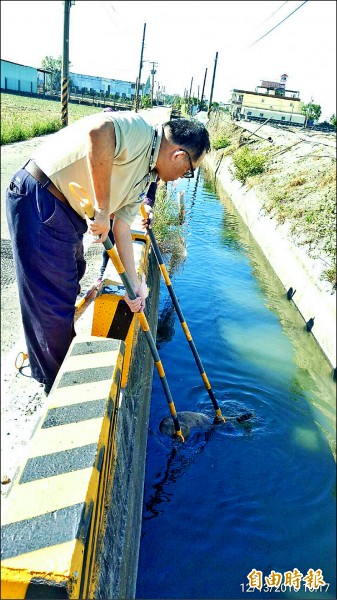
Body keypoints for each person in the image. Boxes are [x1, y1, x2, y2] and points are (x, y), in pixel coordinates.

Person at [6, 112, 210, 394]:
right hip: (41, 196)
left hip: (65, 212)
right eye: (189, 170)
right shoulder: (140, 133)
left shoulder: (145, 175)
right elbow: (99, 132)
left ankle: (52, 369)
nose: (183, 177)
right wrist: (102, 209)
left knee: (68, 282)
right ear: (178, 155)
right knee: (52, 300)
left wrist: (134, 287)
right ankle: (55, 386)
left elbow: (123, 228)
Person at [97, 179, 158, 283]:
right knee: (109, 236)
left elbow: (151, 183)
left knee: (117, 231)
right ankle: (103, 271)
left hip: (130, 197)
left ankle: (107, 272)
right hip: (112, 192)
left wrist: (147, 206)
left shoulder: (152, 166)